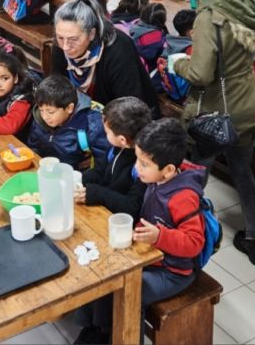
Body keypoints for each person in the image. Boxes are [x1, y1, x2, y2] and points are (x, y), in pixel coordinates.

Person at [170, 0, 255, 266]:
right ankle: (253, 237)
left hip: (215, 112)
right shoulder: (244, 6)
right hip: (246, 105)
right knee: (243, 172)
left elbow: (201, 74)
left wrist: (179, 64)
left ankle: (189, 231)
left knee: (198, 171)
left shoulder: (208, 16)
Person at [74, 119, 206, 345]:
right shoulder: (155, 180)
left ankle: (125, 338)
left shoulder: (183, 197)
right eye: (137, 159)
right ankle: (96, 329)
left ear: (169, 170)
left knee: (128, 293)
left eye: (144, 164)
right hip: (149, 256)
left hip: (172, 271)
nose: (137, 168)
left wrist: (160, 236)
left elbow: (195, 242)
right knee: (97, 276)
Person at [50, 0, 160, 113]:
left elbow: (130, 107)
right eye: (60, 38)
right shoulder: (60, 46)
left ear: (92, 34)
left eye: (73, 39)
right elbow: (58, 85)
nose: (65, 47)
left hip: (127, 118)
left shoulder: (118, 51)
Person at [74, 97, 151, 216]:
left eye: (107, 132)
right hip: (105, 206)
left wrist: (98, 194)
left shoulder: (143, 165)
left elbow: (132, 207)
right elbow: (99, 171)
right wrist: (78, 180)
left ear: (122, 140)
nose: (105, 135)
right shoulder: (116, 148)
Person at [26, 75, 109, 170]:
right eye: (41, 110)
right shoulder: (39, 118)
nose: (45, 116)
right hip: (45, 171)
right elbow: (33, 147)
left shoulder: (91, 125)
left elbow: (103, 163)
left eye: (51, 112)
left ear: (69, 108)